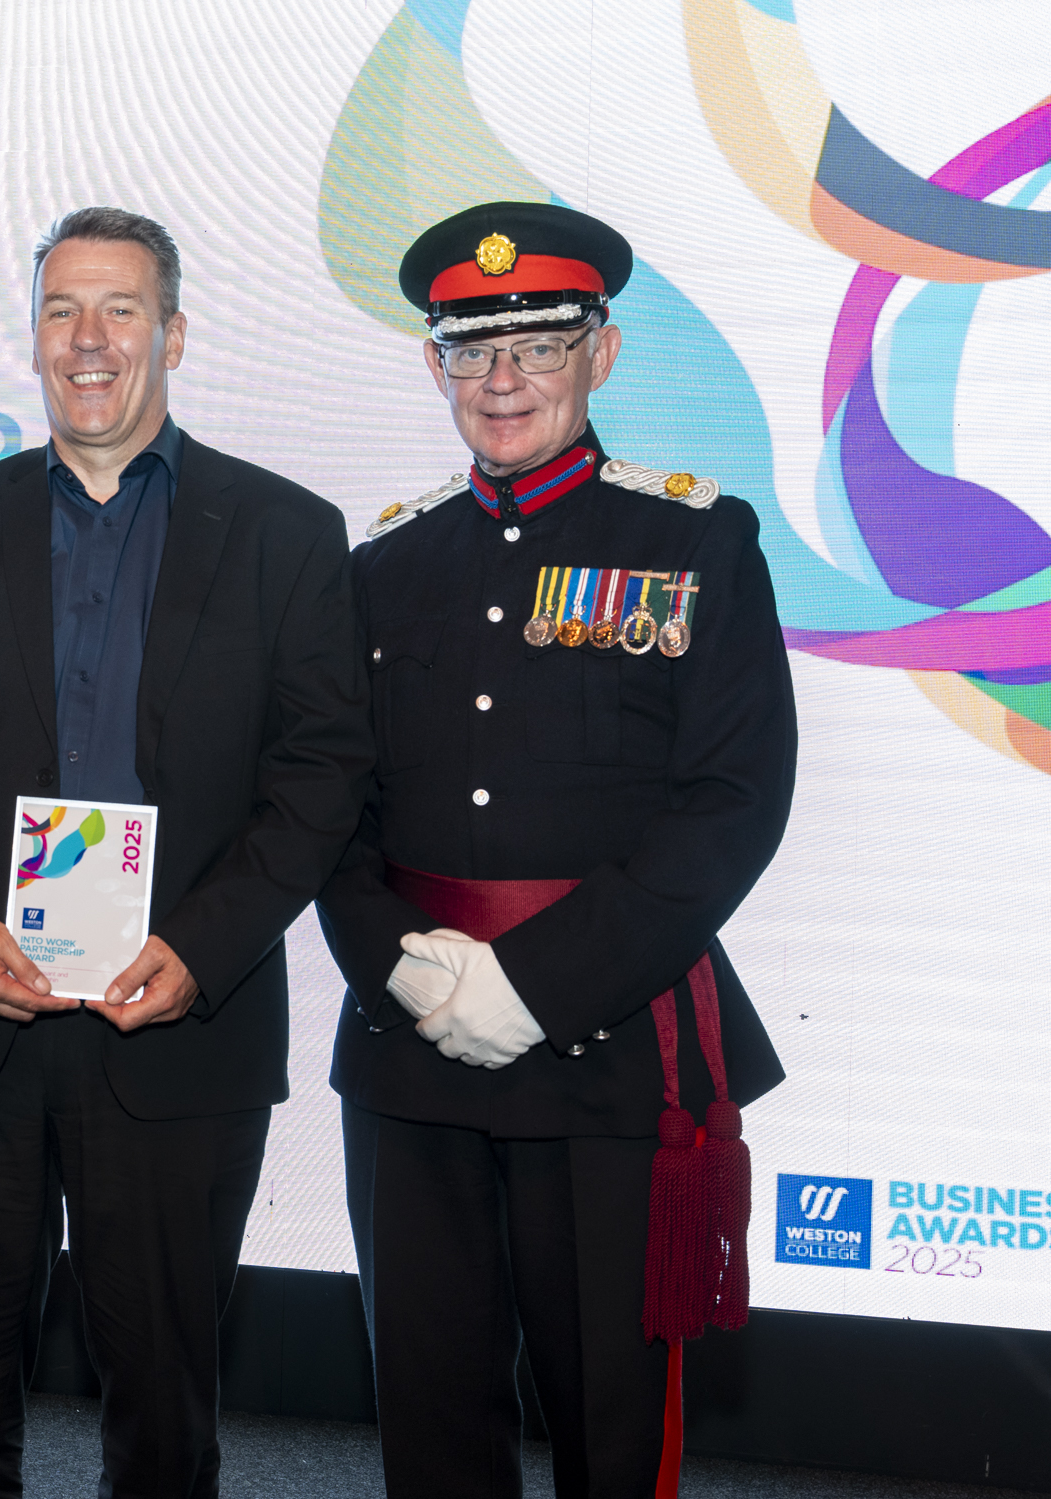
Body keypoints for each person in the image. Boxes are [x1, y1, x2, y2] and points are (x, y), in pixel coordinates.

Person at [0, 207, 376, 1498]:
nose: (88, 340)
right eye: (60, 310)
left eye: (120, 310)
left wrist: (202, 947)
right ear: (32, 337)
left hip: (176, 1019)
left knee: (162, 1396)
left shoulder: (285, 531)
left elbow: (319, 775)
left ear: (173, 334)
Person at [315, 201, 799, 1499]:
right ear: (433, 365)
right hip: (408, 1056)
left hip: (605, 1051)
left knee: (608, 1421)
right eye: (470, 347)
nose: (504, 376)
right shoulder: (378, 567)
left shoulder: (691, 542)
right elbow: (327, 809)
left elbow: (730, 804)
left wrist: (526, 987)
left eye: (539, 339)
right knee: (428, 1420)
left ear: (603, 352)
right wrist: (403, 974)